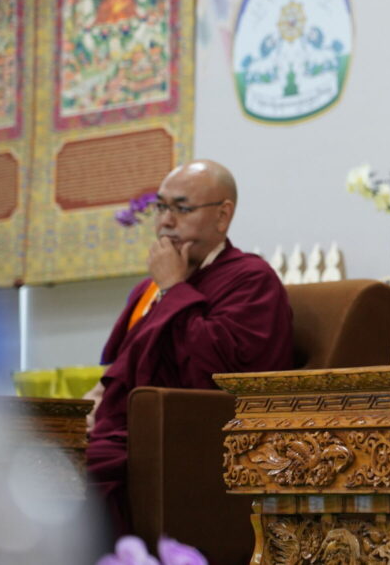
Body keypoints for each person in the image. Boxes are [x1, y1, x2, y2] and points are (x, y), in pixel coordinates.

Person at [85, 159, 294, 534]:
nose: (166, 221)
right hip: (130, 431)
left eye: (181, 209)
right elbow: (123, 369)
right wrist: (87, 408)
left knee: (85, 473)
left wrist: (173, 290)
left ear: (222, 216)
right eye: (161, 207)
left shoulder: (251, 279)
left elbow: (216, 376)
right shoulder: (150, 290)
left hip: (192, 437)